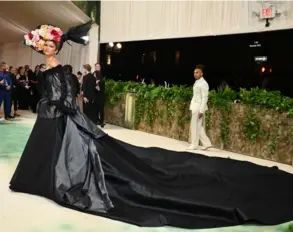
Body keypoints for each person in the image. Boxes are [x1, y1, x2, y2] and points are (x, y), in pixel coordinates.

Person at [9, 23, 293, 230]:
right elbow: (52, 96)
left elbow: (67, 98)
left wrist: (56, 105)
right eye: (44, 44)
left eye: (51, 44)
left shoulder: (58, 69)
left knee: (96, 162)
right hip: (51, 119)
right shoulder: (45, 69)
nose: (47, 47)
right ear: (39, 45)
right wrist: (50, 103)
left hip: (62, 119)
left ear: (56, 46)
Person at [188, 65, 212, 150]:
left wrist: (201, 111)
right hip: (195, 106)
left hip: (199, 107)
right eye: (194, 72)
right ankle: (206, 143)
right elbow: (195, 96)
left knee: (195, 126)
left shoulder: (204, 83)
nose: (195, 74)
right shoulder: (197, 82)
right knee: (198, 126)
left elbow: (205, 98)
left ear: (201, 73)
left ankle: (194, 145)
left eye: (197, 72)